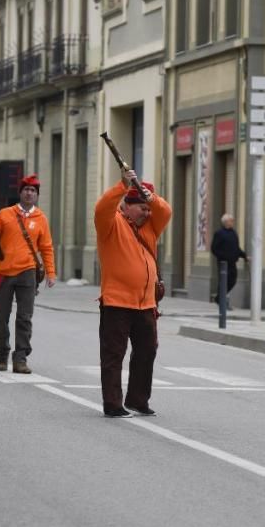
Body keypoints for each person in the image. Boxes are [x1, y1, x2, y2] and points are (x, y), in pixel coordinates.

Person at [94, 170, 172, 418]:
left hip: (145, 304)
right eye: (142, 208)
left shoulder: (149, 227)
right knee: (114, 354)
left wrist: (152, 199)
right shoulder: (111, 224)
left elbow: (165, 211)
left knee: (147, 351)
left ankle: (138, 400)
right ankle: (113, 404)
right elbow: (101, 208)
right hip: (117, 301)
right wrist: (122, 185)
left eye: (148, 209)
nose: (147, 214)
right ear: (127, 206)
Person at [0, 174, 56, 374]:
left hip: (28, 272)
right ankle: (2, 354)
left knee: (25, 318)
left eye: (33, 190)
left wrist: (51, 273)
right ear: (20, 192)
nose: (29, 193)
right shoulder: (5, 214)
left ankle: (20, 358)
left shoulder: (41, 218)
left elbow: (47, 247)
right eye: (26, 189)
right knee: (1, 317)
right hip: (5, 272)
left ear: (37, 195)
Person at [210, 213, 247, 306]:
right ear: (225, 222)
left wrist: (244, 256)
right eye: (231, 220)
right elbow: (214, 248)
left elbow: (236, 248)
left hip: (232, 262)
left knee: (232, 281)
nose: (233, 222)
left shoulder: (233, 233)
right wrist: (222, 256)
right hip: (223, 263)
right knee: (224, 281)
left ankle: (219, 298)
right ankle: (221, 301)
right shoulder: (219, 233)